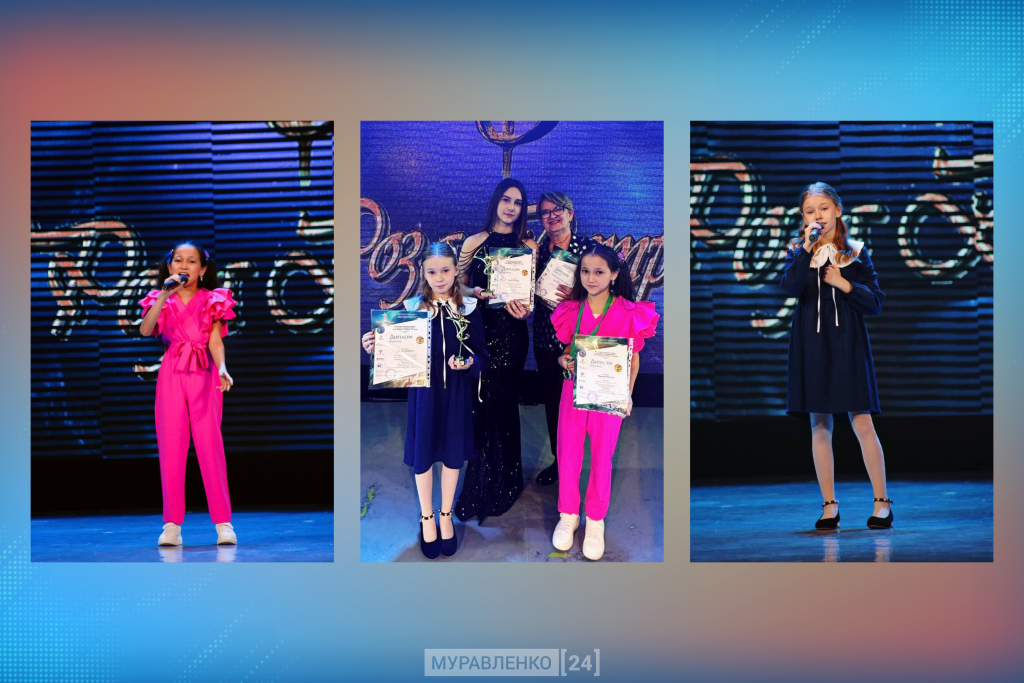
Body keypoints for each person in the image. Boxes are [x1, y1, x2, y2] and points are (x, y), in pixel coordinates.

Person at [778, 182, 893, 530]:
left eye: (824, 208)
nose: (818, 215)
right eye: (810, 211)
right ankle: (829, 507)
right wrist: (805, 250)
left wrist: (844, 284)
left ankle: (882, 503)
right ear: (803, 218)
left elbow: (875, 301)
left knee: (862, 421)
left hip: (847, 342)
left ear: (838, 210)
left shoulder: (855, 252)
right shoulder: (797, 250)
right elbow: (789, 287)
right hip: (810, 343)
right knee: (819, 424)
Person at [362, 242, 487, 558]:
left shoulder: (469, 308)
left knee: (453, 456)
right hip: (424, 396)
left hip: (456, 396)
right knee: (424, 456)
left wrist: (469, 363)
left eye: (445, 270)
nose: (439, 277)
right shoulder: (412, 310)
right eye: (432, 272)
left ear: (456, 270)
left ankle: (445, 514)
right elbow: (395, 353)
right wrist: (376, 346)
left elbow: (482, 355)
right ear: (423, 273)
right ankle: (427, 516)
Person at [549, 242, 659, 560]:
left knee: (601, 457)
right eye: (585, 271)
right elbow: (566, 352)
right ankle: (568, 514)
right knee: (567, 454)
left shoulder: (628, 312)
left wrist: (627, 394)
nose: (591, 278)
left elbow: (633, 359)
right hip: (573, 392)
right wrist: (563, 361)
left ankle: (595, 520)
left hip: (608, 396)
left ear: (613, 274)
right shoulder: (572, 309)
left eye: (599, 272)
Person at [139, 242, 237, 547]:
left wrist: (222, 368)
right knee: (171, 448)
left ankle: (223, 523)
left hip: (204, 373)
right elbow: (146, 330)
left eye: (192, 261)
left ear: (202, 269)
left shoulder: (213, 299)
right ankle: (172, 525)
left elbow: (215, 341)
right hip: (172, 373)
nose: (184, 265)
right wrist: (163, 296)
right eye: (178, 260)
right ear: (170, 267)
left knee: (210, 447)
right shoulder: (160, 298)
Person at [453, 178, 538, 522]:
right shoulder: (474, 242)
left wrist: (527, 310)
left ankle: (506, 483)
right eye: (506, 200)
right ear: (495, 202)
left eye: (518, 202)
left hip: (512, 335)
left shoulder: (527, 245)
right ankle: (478, 483)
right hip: (479, 334)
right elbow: (457, 287)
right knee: (479, 406)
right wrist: (473, 292)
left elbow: (530, 294)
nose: (511, 207)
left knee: (503, 406)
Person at [532, 191, 593, 486]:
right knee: (553, 404)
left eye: (558, 209)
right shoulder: (534, 253)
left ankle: (584, 462)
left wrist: (579, 293)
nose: (552, 215)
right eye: (545, 212)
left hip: (581, 340)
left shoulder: (590, 249)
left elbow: (614, 280)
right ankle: (560, 463)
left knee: (581, 407)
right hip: (546, 339)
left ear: (570, 213)